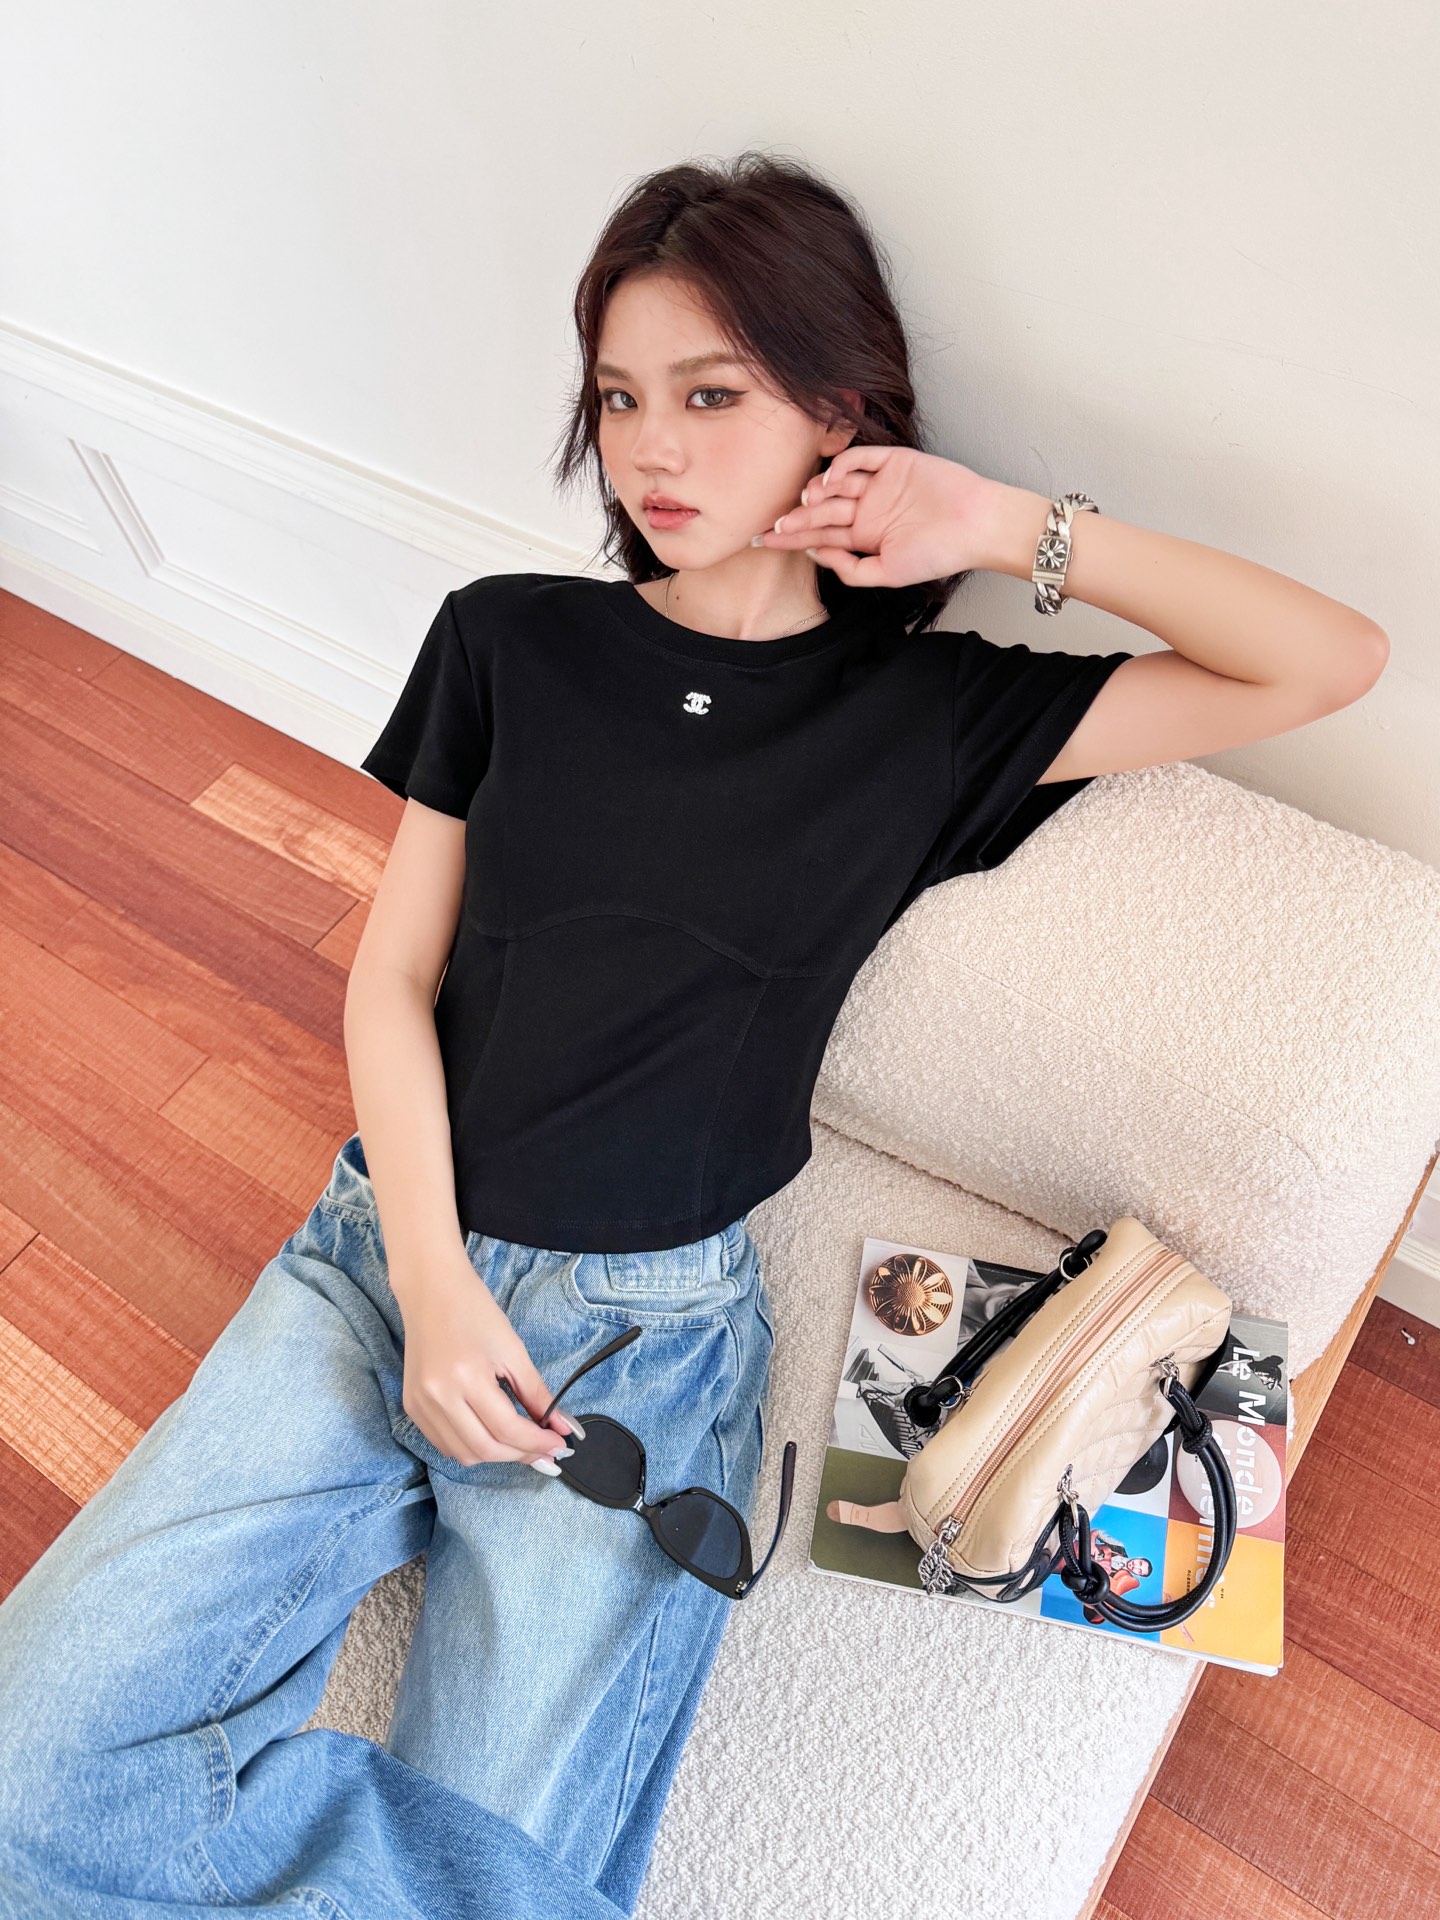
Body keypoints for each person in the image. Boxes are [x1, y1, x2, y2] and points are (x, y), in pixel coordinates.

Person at [0, 149, 1387, 1919]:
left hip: (642, 1349)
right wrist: (428, 1282)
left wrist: (995, 527)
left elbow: (1327, 660)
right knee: (30, 1777)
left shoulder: (928, 719)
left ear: (840, 415)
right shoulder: (508, 641)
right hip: (372, 1269)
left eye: (714, 395)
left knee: (505, 1876)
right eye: (619, 398)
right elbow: (390, 978)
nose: (651, 449)